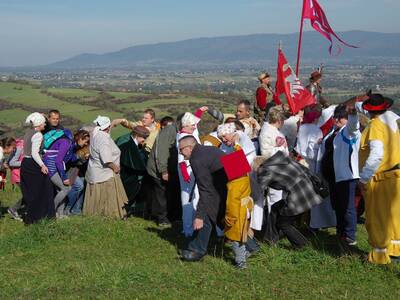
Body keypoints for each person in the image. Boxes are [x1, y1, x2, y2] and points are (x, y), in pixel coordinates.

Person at [356, 93, 400, 264]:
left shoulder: (375, 126)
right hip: (395, 175)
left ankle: (379, 256)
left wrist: (364, 177)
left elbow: (376, 154)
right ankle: (395, 250)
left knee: (378, 217)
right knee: (394, 215)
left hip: (381, 178)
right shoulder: (392, 120)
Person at [256, 152, 323, 249]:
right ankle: (271, 239)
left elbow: (259, 189)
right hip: (310, 189)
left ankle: (302, 245)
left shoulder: (264, 169)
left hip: (300, 195)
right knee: (275, 209)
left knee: (283, 223)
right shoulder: (281, 161)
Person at [179, 136, 228, 262]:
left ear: (189, 148)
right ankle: (252, 247)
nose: (180, 152)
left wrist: (199, 216)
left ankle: (197, 250)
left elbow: (205, 189)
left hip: (229, 188)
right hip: (233, 185)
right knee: (223, 217)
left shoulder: (196, 159)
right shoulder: (208, 149)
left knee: (208, 217)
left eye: (181, 150)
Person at [319, 104, 361, 246]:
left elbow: (354, 126)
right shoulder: (334, 131)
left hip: (347, 176)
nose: (336, 120)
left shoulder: (349, 131)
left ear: (347, 119)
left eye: (340, 117)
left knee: (347, 207)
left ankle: (350, 236)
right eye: (336, 117)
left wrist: (353, 115)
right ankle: (340, 231)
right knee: (337, 205)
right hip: (334, 176)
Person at [296, 107, 336, 230]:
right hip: (311, 165)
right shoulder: (316, 130)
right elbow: (313, 153)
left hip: (299, 162)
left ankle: (298, 221)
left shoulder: (301, 128)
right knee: (313, 195)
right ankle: (311, 224)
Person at [83, 116, 128, 218]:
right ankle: (110, 215)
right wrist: (115, 167)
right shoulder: (103, 138)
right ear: (106, 128)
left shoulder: (95, 133)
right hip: (105, 173)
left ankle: (96, 215)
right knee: (107, 197)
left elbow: (109, 126)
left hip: (95, 171)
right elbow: (106, 159)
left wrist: (117, 122)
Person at [21, 112, 55, 224]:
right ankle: (41, 216)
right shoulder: (38, 135)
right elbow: (35, 153)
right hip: (33, 164)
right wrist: (43, 165)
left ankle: (31, 216)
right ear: (39, 123)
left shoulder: (28, 132)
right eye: (44, 122)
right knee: (43, 190)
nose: (45, 124)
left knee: (31, 191)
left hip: (25, 163)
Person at [146, 121, 179, 226]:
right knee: (162, 193)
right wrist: (163, 171)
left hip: (168, 168)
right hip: (159, 169)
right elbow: (161, 152)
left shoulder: (175, 130)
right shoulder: (169, 132)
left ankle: (171, 217)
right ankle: (162, 219)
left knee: (169, 192)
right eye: (191, 126)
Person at [116, 125, 150, 213]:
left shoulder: (135, 145)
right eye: (143, 137)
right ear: (136, 135)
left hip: (131, 176)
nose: (144, 140)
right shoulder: (126, 145)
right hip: (127, 176)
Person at [43, 129, 75, 217]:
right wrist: (64, 177)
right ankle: (51, 211)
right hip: (51, 168)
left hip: (52, 166)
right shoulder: (66, 142)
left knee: (60, 190)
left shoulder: (64, 141)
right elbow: (58, 161)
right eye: (85, 141)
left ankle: (60, 214)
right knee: (66, 188)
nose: (85, 143)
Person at [64, 129, 90, 216]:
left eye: (87, 141)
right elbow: (71, 161)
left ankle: (76, 210)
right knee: (79, 186)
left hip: (79, 170)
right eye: (85, 141)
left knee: (81, 187)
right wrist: (83, 158)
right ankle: (68, 208)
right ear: (79, 138)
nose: (86, 143)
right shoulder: (72, 145)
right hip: (70, 170)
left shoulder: (82, 146)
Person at [5, 138, 24, 220]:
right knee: (29, 195)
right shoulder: (20, 147)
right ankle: (13, 209)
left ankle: (15, 209)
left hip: (21, 175)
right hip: (18, 175)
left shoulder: (21, 145)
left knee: (29, 194)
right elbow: (12, 162)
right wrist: (26, 162)